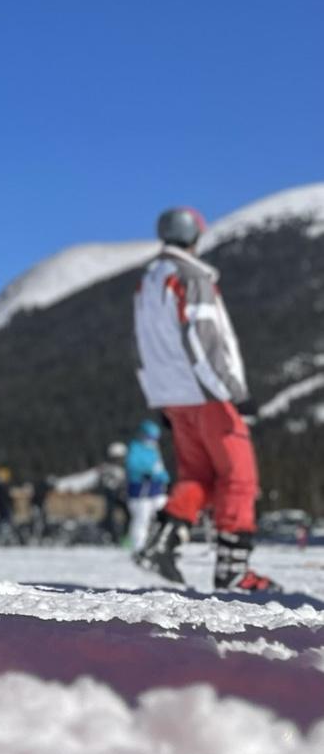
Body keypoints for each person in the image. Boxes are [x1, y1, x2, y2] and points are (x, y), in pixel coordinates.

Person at [132, 206, 279, 592]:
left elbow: (145, 343)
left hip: (174, 397)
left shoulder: (149, 281)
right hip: (207, 393)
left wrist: (160, 396)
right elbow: (203, 339)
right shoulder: (190, 276)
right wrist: (234, 392)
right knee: (240, 478)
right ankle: (233, 570)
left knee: (199, 477)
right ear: (194, 235)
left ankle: (162, 541)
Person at [124, 418, 170, 553]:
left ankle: (161, 544)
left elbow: (160, 469)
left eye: (154, 438)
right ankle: (138, 547)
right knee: (142, 518)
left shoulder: (154, 449)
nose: (152, 440)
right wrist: (147, 472)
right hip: (140, 492)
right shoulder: (135, 448)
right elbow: (133, 466)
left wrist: (163, 477)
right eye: (149, 437)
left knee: (165, 513)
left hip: (155, 489)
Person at [0, 465, 22, 545]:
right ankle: (0, 535)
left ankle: (1, 535)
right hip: (3, 507)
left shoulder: (4, 486)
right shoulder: (2, 486)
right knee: (4, 521)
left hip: (4, 507)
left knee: (4, 521)